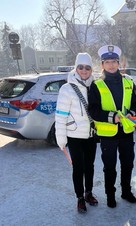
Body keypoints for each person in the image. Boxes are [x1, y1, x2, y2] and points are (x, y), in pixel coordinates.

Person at [88, 45, 136, 208]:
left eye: (114, 61)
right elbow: (93, 110)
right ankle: (110, 195)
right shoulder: (97, 85)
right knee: (109, 167)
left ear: (119, 63)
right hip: (107, 134)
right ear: (102, 65)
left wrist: (132, 114)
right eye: (107, 62)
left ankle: (126, 191)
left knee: (128, 164)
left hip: (126, 132)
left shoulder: (128, 82)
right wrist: (112, 117)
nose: (111, 65)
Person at [55, 53, 98, 213]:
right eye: (80, 67)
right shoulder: (67, 88)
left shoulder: (96, 85)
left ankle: (88, 192)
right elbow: (60, 116)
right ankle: (80, 197)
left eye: (87, 67)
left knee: (90, 166)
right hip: (74, 136)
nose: (84, 70)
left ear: (91, 69)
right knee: (78, 168)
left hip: (91, 135)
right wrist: (61, 139)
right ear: (76, 68)